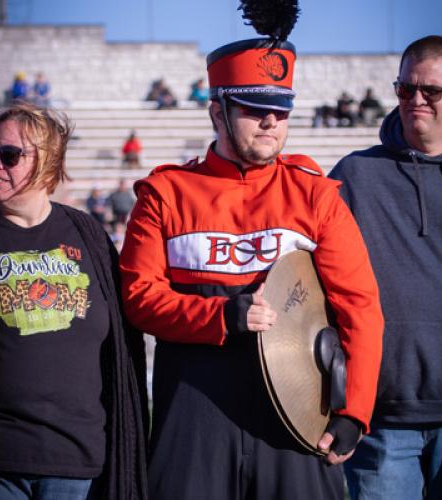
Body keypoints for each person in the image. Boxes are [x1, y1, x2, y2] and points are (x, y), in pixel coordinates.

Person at [120, 2, 383, 499]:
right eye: (254, 109)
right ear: (217, 110)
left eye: (280, 110)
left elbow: (361, 308)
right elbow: (138, 297)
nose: (270, 122)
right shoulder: (166, 193)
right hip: (195, 410)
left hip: (297, 413)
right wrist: (220, 317)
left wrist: (356, 410)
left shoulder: (316, 195)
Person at [0, 102, 148, 500]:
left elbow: (122, 340)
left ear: (49, 162)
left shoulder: (87, 232)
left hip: (78, 462)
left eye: (10, 155)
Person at [329, 35, 442, 500]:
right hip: (383, 416)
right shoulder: (354, 174)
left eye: (430, 91)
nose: (415, 100)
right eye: (404, 88)